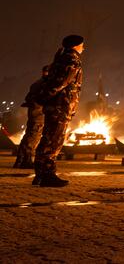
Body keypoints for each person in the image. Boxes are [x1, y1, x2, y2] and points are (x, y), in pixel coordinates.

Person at [33, 35, 84, 187]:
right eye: (82, 45)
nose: (84, 48)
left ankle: (41, 174)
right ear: (76, 45)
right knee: (53, 140)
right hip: (61, 105)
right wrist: (45, 97)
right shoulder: (71, 60)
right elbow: (61, 82)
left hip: (57, 105)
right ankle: (47, 175)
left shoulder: (60, 58)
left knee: (48, 138)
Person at [13, 65, 51, 168]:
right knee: (32, 137)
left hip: (35, 112)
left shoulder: (37, 83)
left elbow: (28, 97)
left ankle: (21, 160)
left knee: (30, 136)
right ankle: (26, 161)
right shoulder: (44, 84)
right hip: (38, 113)